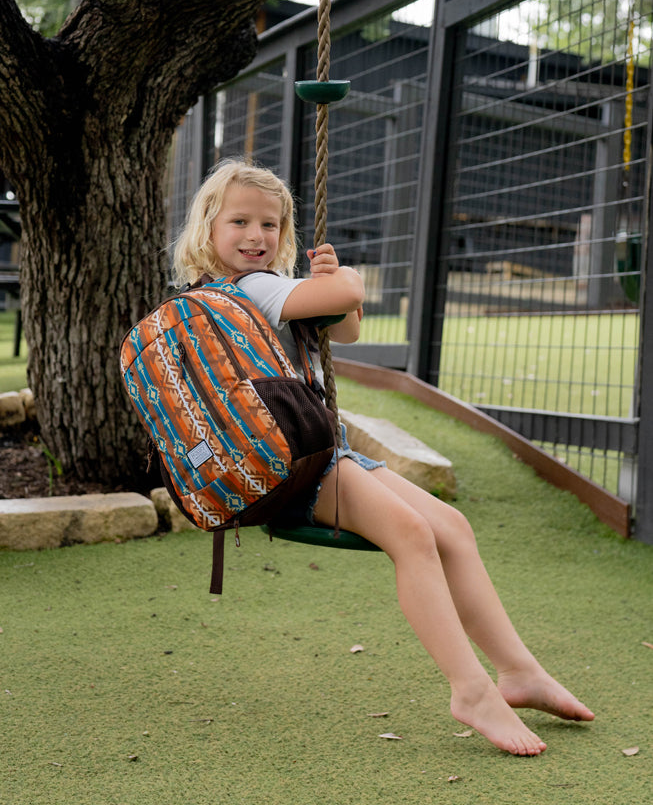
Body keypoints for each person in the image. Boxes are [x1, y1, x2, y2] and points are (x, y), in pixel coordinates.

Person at [173, 158, 594, 757]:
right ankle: (470, 689)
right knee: (413, 534)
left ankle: (518, 671)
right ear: (208, 229)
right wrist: (344, 280)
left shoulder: (249, 292)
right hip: (300, 462)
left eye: (270, 225)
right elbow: (346, 299)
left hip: (313, 453)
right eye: (239, 221)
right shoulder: (252, 289)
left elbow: (343, 329)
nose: (256, 236)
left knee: (452, 526)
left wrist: (334, 288)